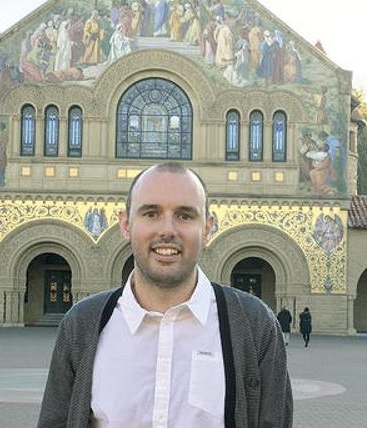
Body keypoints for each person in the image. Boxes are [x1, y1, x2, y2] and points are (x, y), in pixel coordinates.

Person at [38, 163, 292, 427]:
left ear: (207, 228)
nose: (167, 230)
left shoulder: (255, 325)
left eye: (185, 215)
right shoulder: (81, 324)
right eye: (151, 213)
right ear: (125, 225)